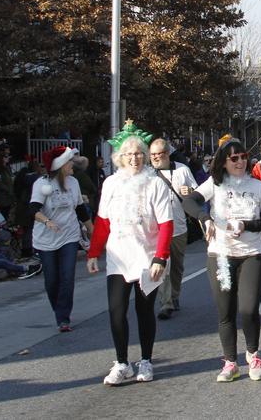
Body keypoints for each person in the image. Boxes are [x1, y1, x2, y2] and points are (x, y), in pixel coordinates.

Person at [87, 123, 174, 386]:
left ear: (145, 155)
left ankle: (146, 359)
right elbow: (102, 222)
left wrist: (160, 257)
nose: (134, 158)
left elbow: (165, 224)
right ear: (119, 158)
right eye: (128, 154)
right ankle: (122, 362)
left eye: (138, 153)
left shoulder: (155, 183)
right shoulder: (112, 183)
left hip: (147, 258)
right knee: (116, 310)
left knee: (144, 310)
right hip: (118, 257)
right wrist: (93, 253)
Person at [184, 138, 261, 383]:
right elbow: (189, 201)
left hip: (251, 254)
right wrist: (205, 218)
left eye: (243, 156)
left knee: (248, 309)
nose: (240, 162)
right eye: (234, 158)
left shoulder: (258, 187)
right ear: (224, 163)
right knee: (226, 311)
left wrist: (247, 225)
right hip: (221, 255)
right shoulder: (215, 184)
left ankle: (253, 355)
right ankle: (230, 363)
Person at [32, 146, 93, 332]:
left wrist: (93, 231)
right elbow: (33, 209)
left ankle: (63, 318)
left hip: (69, 235)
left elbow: (80, 210)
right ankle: (58, 309)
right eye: (69, 162)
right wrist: (47, 221)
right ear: (60, 165)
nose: (72, 165)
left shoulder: (73, 182)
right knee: (52, 280)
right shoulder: (41, 184)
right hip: (46, 238)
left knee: (67, 277)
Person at [148, 137, 200, 321]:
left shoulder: (182, 170)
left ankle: (174, 296)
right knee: (163, 265)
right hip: (157, 230)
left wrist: (190, 193)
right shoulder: (148, 174)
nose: (155, 158)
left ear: (168, 154)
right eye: (152, 154)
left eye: (159, 154)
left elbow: (197, 193)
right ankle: (166, 303)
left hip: (178, 227)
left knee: (177, 267)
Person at [0, 150, 15, 221]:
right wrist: (7, 189)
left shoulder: (7, 168)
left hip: (8, 195)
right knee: (3, 212)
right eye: (6, 157)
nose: (8, 158)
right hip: (3, 196)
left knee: (7, 212)